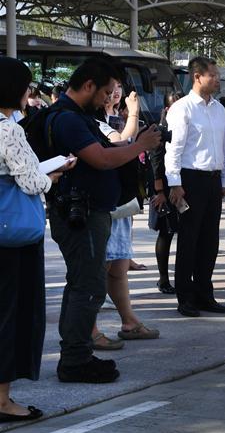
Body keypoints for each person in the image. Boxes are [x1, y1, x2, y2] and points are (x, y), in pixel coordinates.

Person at [48, 58, 160, 383]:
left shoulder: (79, 116)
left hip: (89, 211)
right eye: (106, 92)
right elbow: (100, 158)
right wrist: (140, 145)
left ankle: (77, 353)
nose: (107, 99)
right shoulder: (67, 119)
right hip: (80, 215)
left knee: (84, 283)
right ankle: (75, 359)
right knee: (88, 285)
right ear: (88, 86)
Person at [0, 57, 75, 420]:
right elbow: (29, 181)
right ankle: (2, 401)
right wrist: (54, 175)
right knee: (10, 315)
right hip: (11, 238)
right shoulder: (8, 128)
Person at [91, 85, 160, 349]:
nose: (115, 92)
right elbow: (119, 141)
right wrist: (133, 115)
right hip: (103, 204)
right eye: (108, 88)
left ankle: (129, 321)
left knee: (119, 265)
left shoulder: (116, 117)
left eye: (118, 87)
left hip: (121, 203)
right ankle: (90, 328)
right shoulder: (91, 121)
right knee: (97, 269)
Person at [165, 56, 225, 317]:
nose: (217, 79)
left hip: (213, 180)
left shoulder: (219, 109)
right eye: (212, 75)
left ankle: (205, 294)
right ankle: (186, 297)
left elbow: (223, 147)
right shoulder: (182, 108)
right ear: (197, 76)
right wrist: (175, 182)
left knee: (209, 241)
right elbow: (174, 149)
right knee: (189, 240)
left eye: (217, 75)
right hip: (190, 180)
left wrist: (224, 179)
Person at [147, 91, 182, 294]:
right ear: (167, 109)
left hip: (181, 186)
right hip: (163, 189)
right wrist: (159, 192)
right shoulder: (160, 131)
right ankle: (163, 279)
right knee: (166, 233)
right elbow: (155, 163)